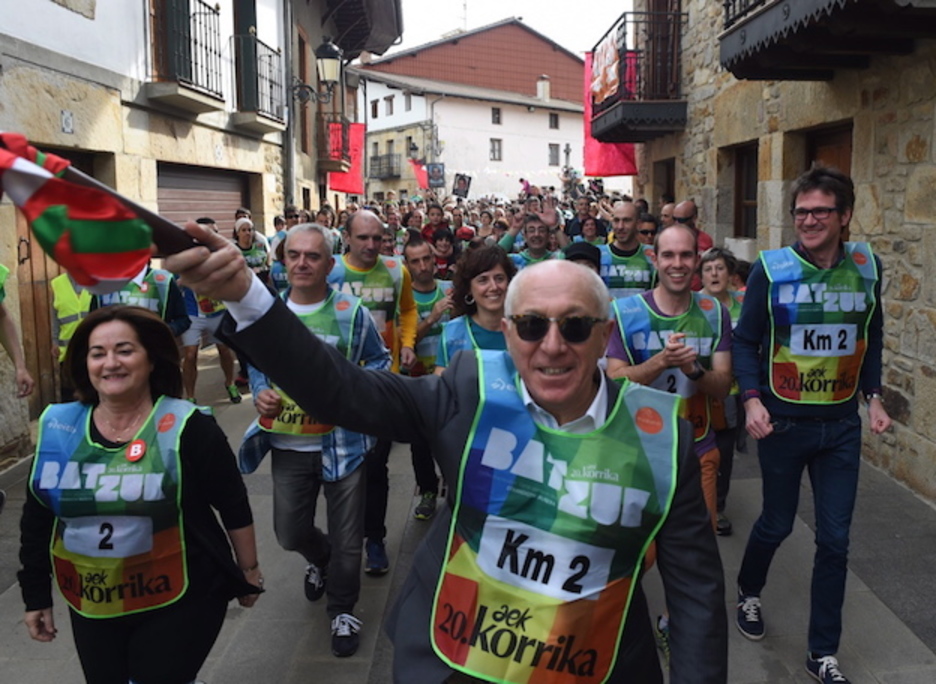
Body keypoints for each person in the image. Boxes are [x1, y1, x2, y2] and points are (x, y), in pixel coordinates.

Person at [167, 233, 728, 684]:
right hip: (455, 657)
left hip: (591, 665)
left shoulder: (661, 438)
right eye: (533, 325)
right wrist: (247, 294)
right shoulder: (468, 389)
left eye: (575, 326)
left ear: (604, 332)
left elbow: (696, 595)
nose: (552, 345)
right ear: (509, 333)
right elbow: (342, 389)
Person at [18, 305, 261, 684]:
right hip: (93, 600)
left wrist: (248, 570)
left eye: (125, 350)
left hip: (182, 596)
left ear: (151, 360)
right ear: (85, 364)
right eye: (98, 353)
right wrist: (36, 595)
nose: (110, 363)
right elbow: (37, 517)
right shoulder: (58, 428)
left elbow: (231, 501)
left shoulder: (188, 427)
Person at [733, 166, 891, 684]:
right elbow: (743, 340)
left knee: (836, 542)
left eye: (821, 211)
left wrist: (874, 396)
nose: (809, 220)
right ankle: (749, 591)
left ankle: (822, 653)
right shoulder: (771, 269)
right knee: (776, 523)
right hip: (782, 423)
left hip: (841, 427)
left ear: (844, 216)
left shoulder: (867, 267)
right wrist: (752, 401)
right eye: (801, 212)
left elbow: (870, 333)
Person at [241, 224, 390, 657]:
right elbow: (255, 364)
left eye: (312, 256)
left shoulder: (350, 311)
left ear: (330, 263)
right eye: (294, 255)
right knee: (289, 532)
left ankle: (343, 609)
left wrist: (353, 393)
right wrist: (259, 391)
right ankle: (319, 558)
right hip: (287, 446)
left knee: (349, 541)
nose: (302, 263)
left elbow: (378, 361)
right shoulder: (267, 315)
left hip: (344, 445)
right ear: (283, 262)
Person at [607, 223, 733, 527]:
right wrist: (661, 361)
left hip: (697, 447)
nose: (677, 264)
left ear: (697, 259)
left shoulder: (714, 312)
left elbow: (723, 387)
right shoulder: (625, 312)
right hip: (638, 452)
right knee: (639, 558)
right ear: (655, 259)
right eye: (669, 255)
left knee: (700, 554)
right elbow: (614, 383)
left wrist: (694, 370)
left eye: (685, 255)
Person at [330, 210, 418, 575]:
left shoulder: (397, 270)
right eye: (362, 238)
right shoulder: (330, 270)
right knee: (335, 472)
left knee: (375, 468)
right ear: (346, 238)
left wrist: (408, 342)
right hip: (335, 386)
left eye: (377, 238)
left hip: (381, 383)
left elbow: (409, 310)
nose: (370, 245)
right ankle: (335, 546)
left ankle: (375, 540)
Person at [402, 237, 454, 520]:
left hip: (450, 381)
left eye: (427, 259)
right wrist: (432, 318)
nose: (423, 266)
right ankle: (428, 491)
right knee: (420, 443)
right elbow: (403, 341)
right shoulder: (404, 297)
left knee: (451, 437)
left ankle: (454, 488)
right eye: (416, 261)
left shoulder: (449, 290)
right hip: (418, 382)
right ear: (406, 265)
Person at [699, 247, 746, 537]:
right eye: (708, 269)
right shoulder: (692, 304)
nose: (714, 274)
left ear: (730, 274)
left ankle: (718, 505)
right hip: (699, 388)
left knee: (724, 451)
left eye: (720, 268)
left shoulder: (745, 303)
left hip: (734, 389)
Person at [434, 245, 516, 374]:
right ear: (468, 288)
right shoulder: (453, 332)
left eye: (499, 278)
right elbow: (441, 387)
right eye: (483, 280)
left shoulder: (524, 328)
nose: (494, 287)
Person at [50, 271, 91, 401]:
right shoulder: (57, 284)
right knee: (69, 392)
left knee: (90, 390)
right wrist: (54, 341)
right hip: (66, 351)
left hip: (91, 349)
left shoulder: (96, 282)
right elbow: (55, 316)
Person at [605, 201, 656, 299]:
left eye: (626, 221)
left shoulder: (652, 255)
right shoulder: (599, 254)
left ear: (639, 224)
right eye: (616, 220)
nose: (620, 227)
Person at [233, 217, 270, 285]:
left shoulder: (260, 246)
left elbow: (268, 265)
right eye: (243, 230)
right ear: (237, 233)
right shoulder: (233, 250)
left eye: (250, 230)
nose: (247, 233)